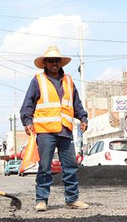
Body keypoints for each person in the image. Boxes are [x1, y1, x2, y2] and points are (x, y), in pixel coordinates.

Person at [20, 45, 89, 212]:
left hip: (65, 130)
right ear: (45, 63)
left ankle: (72, 199)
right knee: (45, 167)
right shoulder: (38, 80)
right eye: (51, 61)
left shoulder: (69, 81)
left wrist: (83, 117)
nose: (54, 64)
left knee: (70, 166)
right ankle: (41, 199)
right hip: (45, 131)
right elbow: (28, 104)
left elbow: (76, 103)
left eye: (57, 60)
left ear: (60, 63)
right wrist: (27, 121)